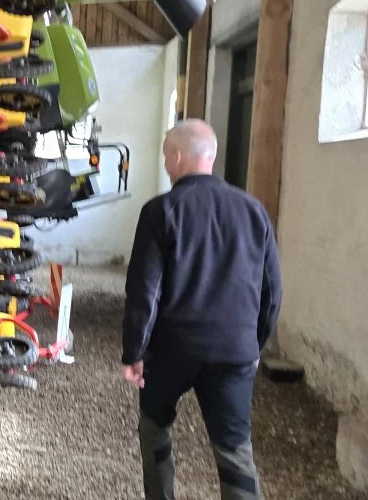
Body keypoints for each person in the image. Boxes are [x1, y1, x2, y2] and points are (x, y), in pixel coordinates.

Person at [121, 118, 282, 500]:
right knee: (234, 448)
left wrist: (134, 352)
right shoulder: (254, 210)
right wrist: (254, 345)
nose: (164, 163)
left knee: (154, 428)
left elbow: (144, 291)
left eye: (165, 156)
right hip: (234, 351)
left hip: (173, 350)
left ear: (178, 157)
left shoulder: (160, 211)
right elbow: (271, 290)